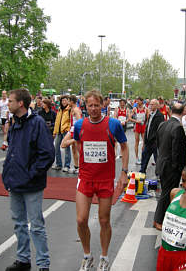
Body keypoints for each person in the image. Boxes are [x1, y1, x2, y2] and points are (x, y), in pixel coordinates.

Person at [73, 89, 129, 271]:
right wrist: (78, 163)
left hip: (105, 180)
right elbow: (78, 143)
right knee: (81, 220)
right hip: (85, 179)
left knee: (104, 221)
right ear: (86, 106)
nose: (94, 108)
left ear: (103, 105)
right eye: (90, 105)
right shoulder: (80, 125)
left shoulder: (113, 124)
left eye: (97, 105)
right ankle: (87, 256)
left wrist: (124, 172)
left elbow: (124, 147)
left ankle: (104, 258)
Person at [3, 88, 55, 271]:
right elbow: (12, 151)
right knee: (19, 224)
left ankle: (43, 264)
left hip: (31, 184)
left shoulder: (37, 123)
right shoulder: (15, 122)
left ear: (20, 103)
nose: (7, 104)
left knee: (36, 226)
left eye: (10, 101)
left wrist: (31, 174)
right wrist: (7, 174)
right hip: (15, 181)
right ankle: (23, 260)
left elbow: (48, 154)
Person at [154, 103, 186, 230]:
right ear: (183, 112)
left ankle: (159, 219)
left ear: (171, 111)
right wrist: (180, 169)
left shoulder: (163, 124)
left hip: (162, 163)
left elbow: (159, 144)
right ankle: (158, 220)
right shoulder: (178, 127)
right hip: (171, 167)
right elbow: (177, 152)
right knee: (167, 194)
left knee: (165, 192)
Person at [139, 99, 164, 174]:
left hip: (155, 142)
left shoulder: (160, 115)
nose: (150, 106)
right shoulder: (150, 114)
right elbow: (147, 127)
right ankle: (142, 171)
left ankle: (159, 174)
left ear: (156, 105)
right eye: (150, 104)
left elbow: (160, 129)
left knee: (157, 159)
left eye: (152, 104)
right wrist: (144, 141)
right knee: (144, 157)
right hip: (148, 141)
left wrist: (156, 140)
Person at [52, 95, 71, 171]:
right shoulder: (59, 109)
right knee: (56, 147)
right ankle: (58, 164)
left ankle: (67, 165)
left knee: (66, 148)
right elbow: (57, 121)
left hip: (65, 131)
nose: (64, 102)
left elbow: (70, 120)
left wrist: (68, 128)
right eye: (62, 100)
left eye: (65, 100)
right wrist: (55, 131)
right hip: (58, 131)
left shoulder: (69, 109)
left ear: (68, 101)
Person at [129, 96, 149, 165]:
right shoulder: (135, 109)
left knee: (144, 142)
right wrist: (136, 121)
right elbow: (129, 117)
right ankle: (137, 158)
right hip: (137, 126)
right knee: (136, 142)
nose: (137, 102)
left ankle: (142, 157)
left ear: (141, 101)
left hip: (143, 126)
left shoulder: (146, 109)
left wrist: (146, 125)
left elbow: (148, 118)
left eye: (138, 101)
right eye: (136, 101)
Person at [68, 94, 82, 174]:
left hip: (75, 130)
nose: (67, 102)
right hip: (72, 129)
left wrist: (77, 132)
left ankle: (81, 167)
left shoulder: (76, 109)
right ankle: (76, 167)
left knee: (77, 149)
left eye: (69, 101)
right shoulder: (72, 109)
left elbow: (79, 121)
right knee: (74, 149)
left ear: (72, 102)